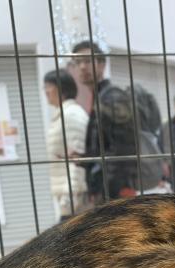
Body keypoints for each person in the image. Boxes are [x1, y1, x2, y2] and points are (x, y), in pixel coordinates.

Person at [71, 40, 139, 202]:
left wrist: (108, 191)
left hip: (115, 192)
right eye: (78, 62)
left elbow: (124, 150)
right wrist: (85, 159)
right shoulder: (100, 97)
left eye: (87, 61)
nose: (82, 67)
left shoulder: (113, 97)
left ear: (102, 64)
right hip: (107, 190)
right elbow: (105, 147)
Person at [43, 69, 90, 221]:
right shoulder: (62, 114)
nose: (45, 91)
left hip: (75, 196)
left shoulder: (71, 114)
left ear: (61, 88)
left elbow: (79, 157)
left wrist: (70, 195)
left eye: (48, 86)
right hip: (68, 195)